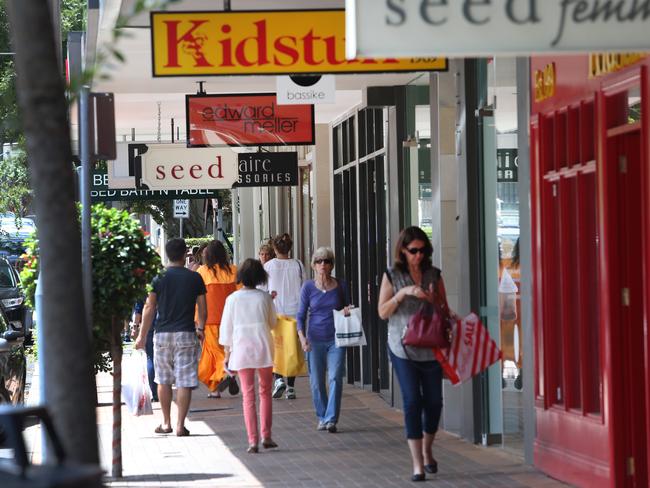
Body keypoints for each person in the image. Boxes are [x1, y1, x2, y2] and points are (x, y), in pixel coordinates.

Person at [378, 226, 454, 482]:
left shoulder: (434, 274)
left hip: (431, 347)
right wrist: (402, 294)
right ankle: (417, 464)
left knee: (434, 402)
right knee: (412, 401)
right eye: (413, 251)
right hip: (402, 348)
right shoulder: (392, 275)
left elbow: (445, 308)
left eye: (422, 251)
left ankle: (427, 448)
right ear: (403, 250)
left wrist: (435, 300)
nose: (418, 256)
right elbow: (383, 312)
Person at [135, 238, 207, 437]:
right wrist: (201, 328)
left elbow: (149, 307)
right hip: (186, 333)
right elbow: (202, 308)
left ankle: (165, 423)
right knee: (184, 381)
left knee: (163, 380)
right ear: (185, 254)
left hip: (163, 334)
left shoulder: (158, 278)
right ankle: (180, 425)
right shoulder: (195, 278)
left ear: (167, 254)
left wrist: (141, 336)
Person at [220, 258, 278, 453]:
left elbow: (226, 330)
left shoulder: (232, 299)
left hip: (241, 349)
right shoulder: (265, 298)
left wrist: (227, 354)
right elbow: (273, 323)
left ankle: (252, 440)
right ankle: (266, 435)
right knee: (265, 393)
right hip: (263, 348)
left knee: (248, 396)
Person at [297, 247, 349, 433]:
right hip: (314, 339)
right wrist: (302, 338)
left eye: (326, 261)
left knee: (335, 377)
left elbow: (348, 307)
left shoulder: (341, 285)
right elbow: (301, 316)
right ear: (313, 265)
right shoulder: (308, 287)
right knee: (317, 381)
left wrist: (346, 311)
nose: (322, 265)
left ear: (332, 265)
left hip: (336, 339)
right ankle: (322, 416)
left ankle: (331, 418)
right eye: (319, 261)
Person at [197, 240, 240, 398]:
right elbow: (240, 295)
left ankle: (226, 373)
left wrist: (197, 321)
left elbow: (197, 299)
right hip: (231, 319)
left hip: (209, 320)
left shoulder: (202, 272)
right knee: (224, 350)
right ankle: (215, 389)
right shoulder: (234, 270)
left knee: (211, 353)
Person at [265, 233, 305, 400]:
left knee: (276, 348)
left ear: (274, 248)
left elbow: (262, 289)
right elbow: (304, 287)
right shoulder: (298, 264)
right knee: (291, 350)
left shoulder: (268, 266)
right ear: (290, 248)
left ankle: (279, 379)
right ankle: (290, 387)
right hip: (295, 312)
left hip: (275, 312)